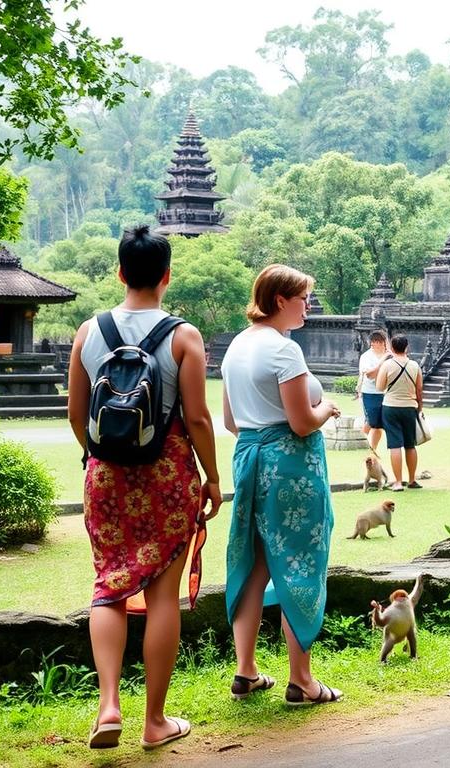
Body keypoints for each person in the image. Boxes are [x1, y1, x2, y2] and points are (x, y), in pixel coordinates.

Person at [67, 225, 221, 750]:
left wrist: (96, 458)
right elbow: (198, 417)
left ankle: (108, 705)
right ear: (166, 275)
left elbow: (75, 412)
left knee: (107, 586)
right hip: (169, 474)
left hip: (106, 477)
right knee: (161, 598)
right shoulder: (184, 336)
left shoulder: (89, 332)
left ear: (119, 272)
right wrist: (213, 477)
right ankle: (154, 722)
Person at [221, 264, 343, 707]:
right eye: (303, 298)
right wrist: (326, 408)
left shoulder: (236, 346)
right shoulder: (283, 350)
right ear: (280, 301)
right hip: (290, 466)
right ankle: (302, 680)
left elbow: (231, 421)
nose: (308, 305)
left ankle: (246, 670)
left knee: (254, 562)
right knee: (299, 562)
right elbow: (300, 421)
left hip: (249, 458)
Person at [376, 335, 423, 492]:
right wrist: (420, 406)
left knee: (395, 444)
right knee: (410, 445)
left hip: (390, 407)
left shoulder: (387, 365)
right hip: (410, 407)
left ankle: (397, 482)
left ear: (391, 347)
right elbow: (419, 389)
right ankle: (412, 480)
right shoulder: (414, 365)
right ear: (406, 347)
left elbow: (379, 386)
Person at [356, 330, 390, 452]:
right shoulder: (366, 357)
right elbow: (370, 375)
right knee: (371, 422)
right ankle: (360, 442)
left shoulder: (389, 355)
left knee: (379, 424)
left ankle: (372, 449)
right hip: (370, 393)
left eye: (381, 341)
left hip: (386, 393)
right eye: (374, 341)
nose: (375, 344)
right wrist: (382, 362)